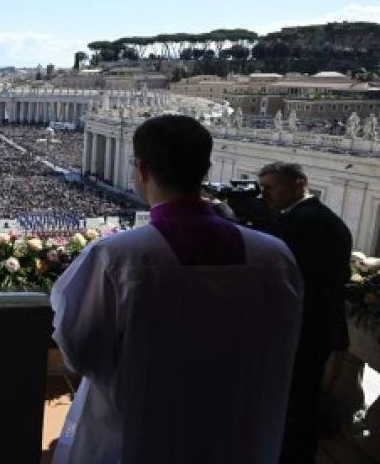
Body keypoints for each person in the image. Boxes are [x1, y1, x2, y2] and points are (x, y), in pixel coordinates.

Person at [50, 115, 303, 464]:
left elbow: (79, 349)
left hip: (138, 433)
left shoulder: (116, 256)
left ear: (141, 169)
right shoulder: (274, 255)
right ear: (206, 168)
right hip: (237, 432)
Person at [256, 162, 352, 464]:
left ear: (300, 184)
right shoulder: (318, 218)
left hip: (305, 330)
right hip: (314, 328)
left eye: (270, 188)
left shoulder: (305, 222)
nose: (264, 196)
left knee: (296, 405)